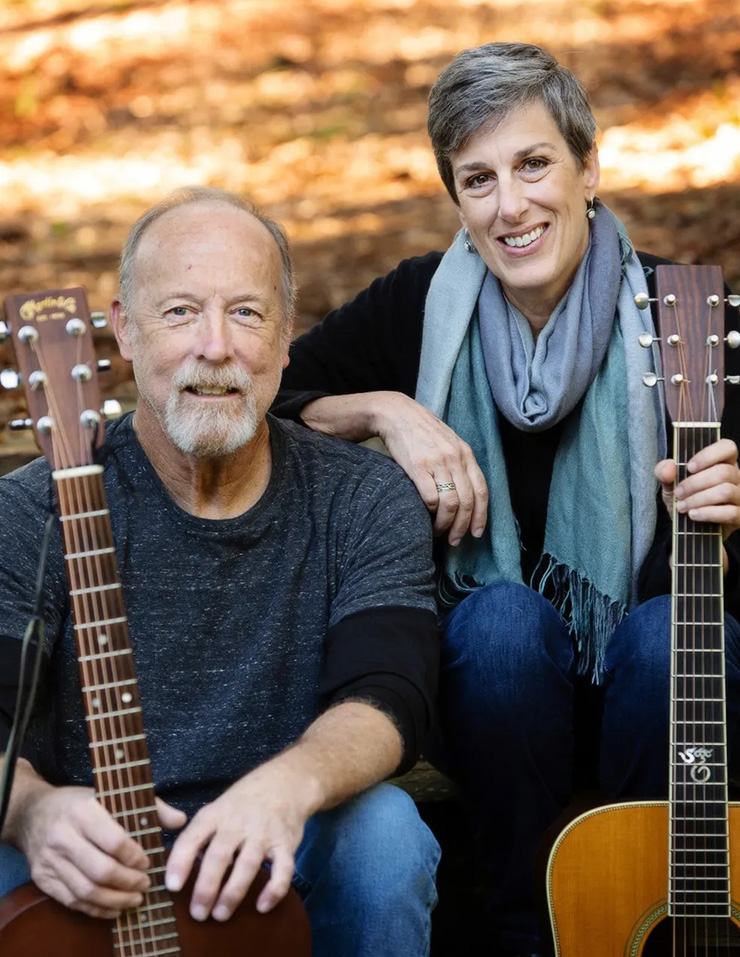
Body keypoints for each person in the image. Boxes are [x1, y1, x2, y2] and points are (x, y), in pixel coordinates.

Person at [272, 42, 740, 956]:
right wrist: (387, 410)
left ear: (589, 168)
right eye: (477, 179)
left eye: (534, 164)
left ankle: (641, 914)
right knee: (500, 623)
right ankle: (529, 931)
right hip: (492, 705)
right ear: (456, 200)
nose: (510, 205)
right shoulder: (417, 307)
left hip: (661, 703)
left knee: (669, 631)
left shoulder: (689, 317)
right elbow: (269, 408)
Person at [0, 186, 442, 957]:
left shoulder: (362, 498)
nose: (215, 345)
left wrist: (287, 786)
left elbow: (387, 692)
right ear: (123, 332)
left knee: (385, 835)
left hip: (280, 834)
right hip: (88, 844)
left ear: (285, 336)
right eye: (179, 312)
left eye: (246, 312)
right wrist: (32, 809)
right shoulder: (32, 509)